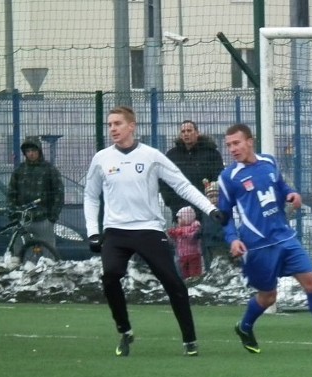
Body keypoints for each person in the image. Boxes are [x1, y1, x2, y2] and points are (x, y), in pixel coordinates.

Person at [83, 106, 225, 357]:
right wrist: (94, 231)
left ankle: (189, 340)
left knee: (173, 282)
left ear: (132, 126)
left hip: (148, 229)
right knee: (110, 275)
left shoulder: (151, 156)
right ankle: (125, 330)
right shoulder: (102, 159)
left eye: (117, 123)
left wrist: (210, 208)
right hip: (116, 231)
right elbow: (91, 196)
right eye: (110, 125)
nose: (113, 129)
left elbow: (182, 185)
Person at [218, 123, 312, 354]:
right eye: (229, 145)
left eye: (236, 143)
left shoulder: (269, 162)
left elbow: (281, 187)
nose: (232, 148)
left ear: (250, 141)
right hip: (258, 246)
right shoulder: (229, 177)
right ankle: (245, 326)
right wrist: (232, 239)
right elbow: (224, 215)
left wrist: (292, 194)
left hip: (285, 237)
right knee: (268, 297)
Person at [160, 120, 225, 268]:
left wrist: (212, 200)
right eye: (183, 131)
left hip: (206, 207)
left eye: (189, 131)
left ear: (197, 132)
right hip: (181, 209)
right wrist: (173, 203)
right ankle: (185, 276)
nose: (186, 134)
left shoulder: (211, 153)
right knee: (184, 246)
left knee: (208, 241)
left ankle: (210, 271)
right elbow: (164, 182)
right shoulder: (172, 155)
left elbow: (218, 177)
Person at [8, 136, 64, 252]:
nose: (31, 154)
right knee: (19, 254)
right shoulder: (19, 171)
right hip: (22, 221)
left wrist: (52, 217)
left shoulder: (49, 170)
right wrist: (14, 213)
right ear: (24, 153)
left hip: (43, 220)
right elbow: (11, 193)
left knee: (48, 256)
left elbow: (58, 193)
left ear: (39, 151)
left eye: (34, 150)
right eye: (28, 151)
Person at [167, 206, 203, 280]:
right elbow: (175, 242)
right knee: (185, 273)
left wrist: (182, 233)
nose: (178, 220)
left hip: (193, 254)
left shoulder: (195, 225)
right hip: (182, 255)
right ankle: (188, 283)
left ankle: (196, 281)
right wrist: (172, 235)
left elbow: (193, 237)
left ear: (186, 218)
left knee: (195, 272)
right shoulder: (179, 228)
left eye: (180, 218)